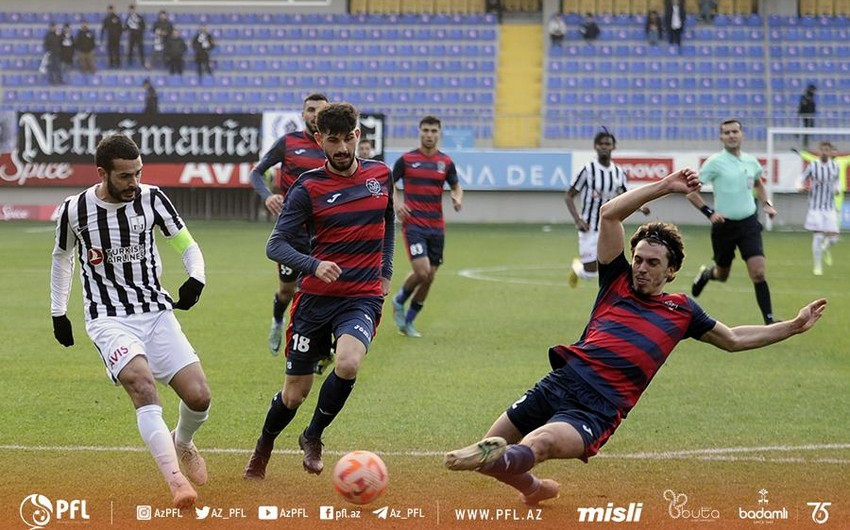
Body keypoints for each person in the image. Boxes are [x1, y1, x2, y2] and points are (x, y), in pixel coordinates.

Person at [444, 168, 827, 506]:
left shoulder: (682, 311)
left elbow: (734, 338)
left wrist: (792, 326)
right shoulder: (617, 280)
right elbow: (609, 214)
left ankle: (501, 456)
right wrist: (664, 186)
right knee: (492, 460)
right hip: (560, 381)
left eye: (652, 263)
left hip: (597, 408)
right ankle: (531, 486)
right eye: (639, 259)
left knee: (538, 443)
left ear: (672, 270)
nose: (641, 268)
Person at [50, 134, 211, 509]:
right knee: (142, 385)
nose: (134, 183)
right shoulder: (74, 210)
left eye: (138, 173)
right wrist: (59, 312)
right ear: (102, 173)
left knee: (199, 396)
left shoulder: (153, 198)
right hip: (108, 318)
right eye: (125, 177)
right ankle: (176, 483)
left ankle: (182, 442)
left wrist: (196, 278)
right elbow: (62, 258)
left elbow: (186, 243)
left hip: (156, 313)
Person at [243, 102, 395, 480]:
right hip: (314, 301)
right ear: (319, 141)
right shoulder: (307, 186)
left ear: (358, 136)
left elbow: (388, 218)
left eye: (348, 138)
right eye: (333, 140)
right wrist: (313, 264)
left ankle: (313, 436)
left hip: (361, 296)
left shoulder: (381, 176)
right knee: (294, 395)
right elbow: (274, 245)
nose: (342, 148)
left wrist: (386, 269)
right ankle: (263, 446)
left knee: (347, 363)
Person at [249, 93, 330, 359]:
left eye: (320, 110)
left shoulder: (333, 146)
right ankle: (277, 321)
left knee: (321, 290)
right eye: (310, 110)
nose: (315, 114)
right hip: (291, 234)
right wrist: (268, 195)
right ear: (303, 114)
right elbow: (256, 173)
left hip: (323, 233)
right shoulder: (288, 143)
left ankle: (318, 348)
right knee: (287, 291)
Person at [688, 119, 779, 325]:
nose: (731, 135)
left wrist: (767, 204)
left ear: (742, 134)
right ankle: (706, 275)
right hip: (724, 227)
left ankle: (770, 321)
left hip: (748, 223)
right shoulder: (714, 163)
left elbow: (758, 184)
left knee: (758, 272)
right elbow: (691, 192)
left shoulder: (751, 161)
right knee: (722, 274)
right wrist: (709, 212)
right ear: (721, 137)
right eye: (727, 132)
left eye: (735, 131)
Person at [391, 116, 463, 338]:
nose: (429, 134)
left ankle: (408, 322)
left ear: (439, 133)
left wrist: (457, 197)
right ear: (419, 132)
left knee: (430, 276)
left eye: (433, 130)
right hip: (414, 225)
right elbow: (390, 183)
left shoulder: (446, 163)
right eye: (425, 130)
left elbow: (457, 186)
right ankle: (399, 299)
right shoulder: (407, 159)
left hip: (436, 227)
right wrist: (397, 203)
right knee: (422, 271)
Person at [565, 130, 649, 287]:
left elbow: (626, 197)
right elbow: (569, 196)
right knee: (590, 273)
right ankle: (578, 268)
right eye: (601, 144)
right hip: (589, 226)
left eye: (607, 144)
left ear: (613, 147)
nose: (604, 147)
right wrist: (578, 220)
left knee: (611, 266)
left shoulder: (618, 172)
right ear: (596, 147)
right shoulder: (587, 170)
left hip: (609, 226)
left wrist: (640, 206)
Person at [797, 141, 841, 275]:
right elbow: (800, 178)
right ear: (819, 151)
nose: (824, 152)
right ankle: (818, 266)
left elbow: (837, 183)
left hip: (830, 207)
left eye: (827, 150)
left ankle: (825, 248)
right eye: (822, 150)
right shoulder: (813, 166)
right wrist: (800, 187)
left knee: (833, 238)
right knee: (818, 235)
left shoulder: (835, 166)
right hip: (815, 207)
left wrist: (837, 189)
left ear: (830, 152)